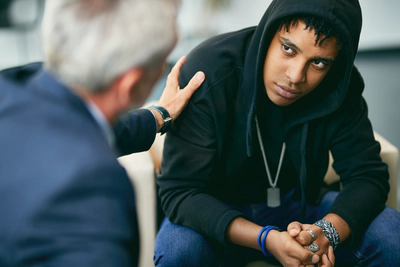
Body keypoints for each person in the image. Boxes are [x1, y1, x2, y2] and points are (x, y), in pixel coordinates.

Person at [154, 0, 400, 266]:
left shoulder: (340, 85)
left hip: (301, 211)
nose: (296, 76)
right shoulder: (209, 70)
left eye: (318, 62)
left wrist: (326, 232)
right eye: (288, 48)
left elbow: (367, 176)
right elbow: (180, 191)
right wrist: (266, 239)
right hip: (215, 213)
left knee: (389, 236)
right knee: (180, 251)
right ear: (268, 32)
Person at [0, 0, 205, 266]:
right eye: (161, 66)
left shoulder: (14, 87)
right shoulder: (92, 187)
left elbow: (75, 127)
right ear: (130, 85)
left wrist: (159, 115)